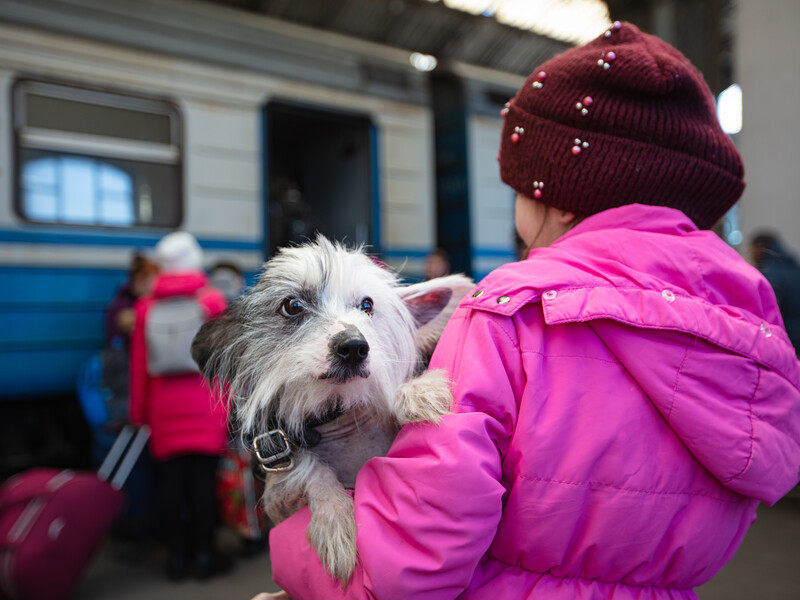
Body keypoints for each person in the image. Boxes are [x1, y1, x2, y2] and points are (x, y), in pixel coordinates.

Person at [259, 23, 800, 599]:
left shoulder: (511, 316)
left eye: (518, 189)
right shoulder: (751, 328)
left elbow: (407, 567)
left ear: (559, 199)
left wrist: (291, 538)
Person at [128, 231, 233, 581]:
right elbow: (224, 361)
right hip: (205, 402)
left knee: (169, 483)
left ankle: (175, 557)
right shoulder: (211, 302)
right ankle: (204, 556)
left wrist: (139, 412)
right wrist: (231, 404)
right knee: (204, 481)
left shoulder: (145, 307)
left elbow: (140, 364)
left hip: (163, 406)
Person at [750, 231, 800, 355]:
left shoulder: (768, 275)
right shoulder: (795, 268)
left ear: (759, 248)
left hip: (786, 339)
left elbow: (767, 314)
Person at [105, 252, 159, 349]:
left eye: (149, 277)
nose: (146, 283)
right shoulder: (120, 305)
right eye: (141, 278)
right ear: (133, 279)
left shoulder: (157, 302)